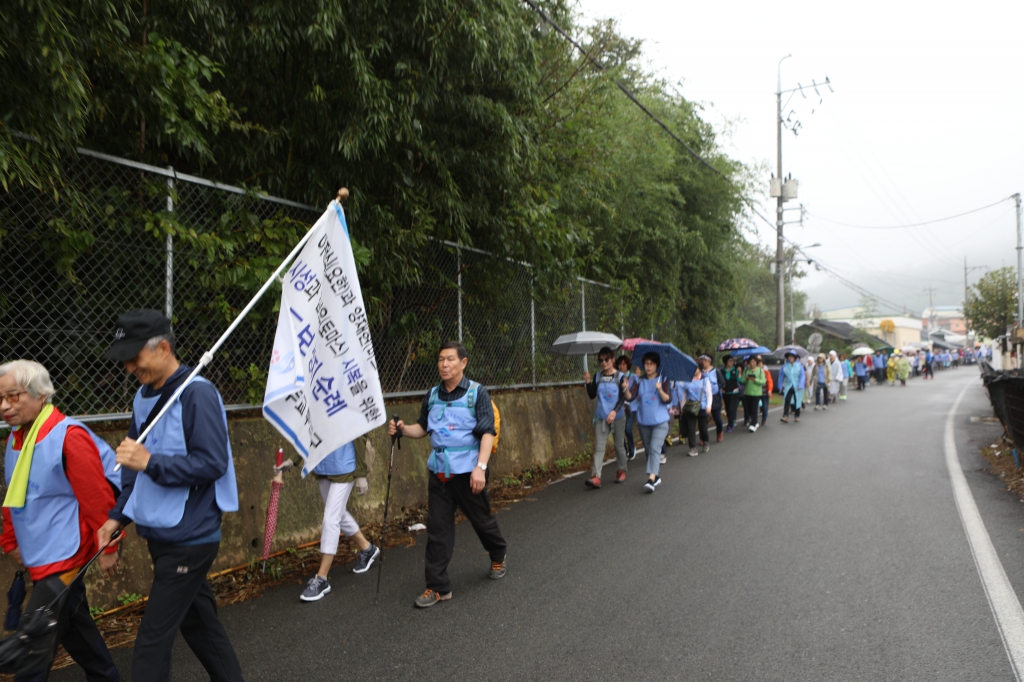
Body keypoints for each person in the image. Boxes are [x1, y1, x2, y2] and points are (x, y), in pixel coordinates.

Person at [97, 309, 244, 682]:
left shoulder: (198, 393)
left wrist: (151, 462)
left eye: (135, 358)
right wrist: (118, 515)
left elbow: (213, 464)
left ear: (163, 348)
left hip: (190, 538)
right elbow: (132, 465)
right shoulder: (142, 397)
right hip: (160, 533)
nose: (130, 367)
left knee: (150, 641)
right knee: (200, 627)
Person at [0, 360, 120, 682]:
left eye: (13, 396)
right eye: (0, 398)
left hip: (64, 555)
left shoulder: (68, 436)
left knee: (33, 649)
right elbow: (14, 495)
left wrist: (109, 547)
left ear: (40, 395)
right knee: (76, 632)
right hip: (41, 553)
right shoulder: (16, 438)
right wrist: (11, 541)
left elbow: (97, 499)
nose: (4, 406)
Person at [387, 341, 506, 609]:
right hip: (439, 472)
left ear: (463, 363)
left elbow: (488, 432)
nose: (444, 364)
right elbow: (423, 428)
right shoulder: (431, 395)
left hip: (469, 473)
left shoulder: (477, 393)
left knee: (482, 521)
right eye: (441, 359)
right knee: (438, 530)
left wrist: (481, 468)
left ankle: (498, 553)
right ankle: (438, 586)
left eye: (450, 359)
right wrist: (403, 429)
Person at [299, 440, 379, 602]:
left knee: (331, 519)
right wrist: (293, 459)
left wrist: (361, 474)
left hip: (345, 466)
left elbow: (360, 434)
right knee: (338, 514)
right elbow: (308, 432)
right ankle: (367, 548)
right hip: (323, 466)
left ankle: (321, 578)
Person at [582, 347, 628, 488]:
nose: (604, 362)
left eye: (607, 359)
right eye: (601, 360)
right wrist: (588, 382)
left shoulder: (621, 377)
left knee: (618, 445)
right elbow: (592, 395)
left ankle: (621, 470)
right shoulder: (598, 376)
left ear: (613, 359)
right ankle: (596, 476)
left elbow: (622, 398)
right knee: (599, 448)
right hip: (601, 418)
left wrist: (614, 411)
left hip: (618, 417)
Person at [630, 351, 671, 492]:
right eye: (646, 364)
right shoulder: (639, 380)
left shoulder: (663, 380)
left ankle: (651, 479)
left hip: (660, 422)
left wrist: (660, 390)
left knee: (654, 448)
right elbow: (630, 397)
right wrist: (624, 388)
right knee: (649, 451)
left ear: (657, 366)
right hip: (643, 422)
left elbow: (668, 399)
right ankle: (656, 476)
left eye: (651, 364)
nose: (648, 367)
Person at [677, 367, 711, 456]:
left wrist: (708, 406)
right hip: (690, 407)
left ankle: (706, 441)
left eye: (696, 368)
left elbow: (709, 395)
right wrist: (682, 407)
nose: (694, 370)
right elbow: (684, 395)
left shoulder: (705, 380)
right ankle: (693, 448)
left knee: (703, 427)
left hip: (702, 406)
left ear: (700, 369)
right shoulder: (687, 380)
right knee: (691, 428)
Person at [616, 356, 638, 461]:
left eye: (624, 364)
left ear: (628, 365)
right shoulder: (616, 377)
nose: (622, 366)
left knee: (627, 429)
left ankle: (632, 448)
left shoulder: (634, 377)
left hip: (631, 407)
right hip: (619, 408)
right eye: (620, 364)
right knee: (619, 430)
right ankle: (624, 451)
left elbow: (633, 394)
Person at [699, 354, 725, 442]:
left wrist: (714, 387)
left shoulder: (716, 371)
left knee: (717, 418)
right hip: (703, 398)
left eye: (705, 360)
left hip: (715, 397)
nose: (703, 362)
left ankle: (720, 432)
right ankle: (703, 438)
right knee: (703, 420)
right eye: (702, 360)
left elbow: (722, 383)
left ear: (709, 361)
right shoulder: (700, 372)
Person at [739, 356, 766, 432]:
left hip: (756, 393)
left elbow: (763, 381)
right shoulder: (746, 370)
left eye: (754, 362)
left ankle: (753, 424)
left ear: (756, 363)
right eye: (751, 362)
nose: (752, 363)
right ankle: (755, 421)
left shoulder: (760, 371)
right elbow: (742, 381)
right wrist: (746, 379)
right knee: (749, 409)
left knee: (754, 408)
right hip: (747, 392)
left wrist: (755, 379)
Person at [779, 351, 806, 423]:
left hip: (797, 386)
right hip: (788, 386)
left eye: (792, 356)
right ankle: (785, 415)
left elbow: (802, 376)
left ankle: (797, 415)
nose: (790, 358)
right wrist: (780, 385)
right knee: (787, 400)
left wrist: (801, 384)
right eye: (789, 357)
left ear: (795, 357)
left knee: (797, 400)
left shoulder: (799, 366)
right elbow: (781, 376)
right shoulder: (785, 366)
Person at [720, 355, 741, 433]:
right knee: (727, 409)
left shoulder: (735, 370)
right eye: (730, 361)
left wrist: (739, 373)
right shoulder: (722, 371)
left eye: (732, 361)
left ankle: (730, 424)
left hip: (734, 392)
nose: (732, 362)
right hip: (725, 392)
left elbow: (739, 380)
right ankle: (731, 421)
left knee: (732, 408)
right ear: (726, 362)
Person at [757, 356, 773, 426]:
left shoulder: (766, 372)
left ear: (763, 364)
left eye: (761, 364)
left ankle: (764, 419)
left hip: (764, 392)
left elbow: (770, 382)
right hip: (756, 393)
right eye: (758, 364)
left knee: (765, 407)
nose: (759, 365)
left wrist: (769, 390)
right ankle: (754, 420)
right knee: (754, 407)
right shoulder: (754, 372)